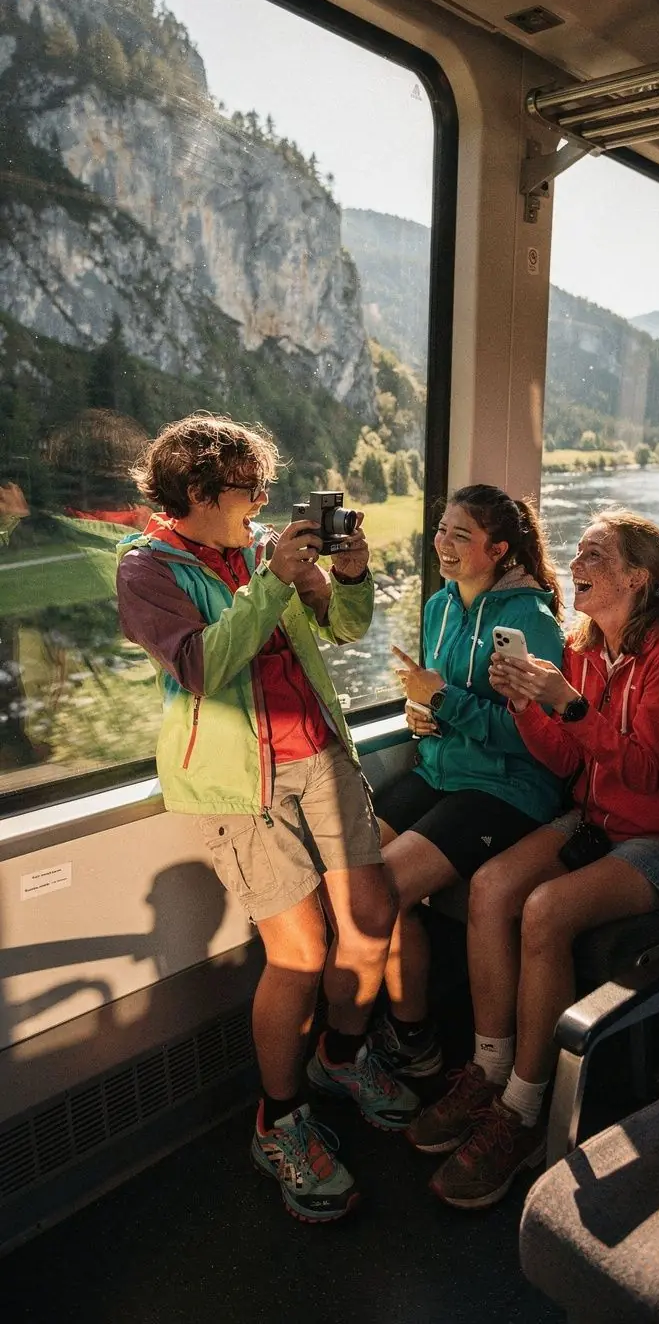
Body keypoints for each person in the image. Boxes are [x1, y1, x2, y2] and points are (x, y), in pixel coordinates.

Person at [116, 413, 418, 1225]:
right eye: (248, 489)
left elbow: (345, 628)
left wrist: (350, 576)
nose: (261, 502)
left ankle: (341, 1055)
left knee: (373, 918)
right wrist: (272, 582)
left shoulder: (259, 552)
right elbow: (201, 667)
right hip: (241, 784)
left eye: (263, 488)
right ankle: (278, 1120)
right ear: (199, 491)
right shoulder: (146, 569)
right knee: (302, 952)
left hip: (319, 752)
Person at [411, 509, 659, 1210]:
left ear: (636, 578)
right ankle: (489, 1069)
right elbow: (563, 758)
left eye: (595, 555)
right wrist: (529, 705)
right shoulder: (582, 646)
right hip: (595, 819)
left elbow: (646, 774)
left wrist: (572, 705)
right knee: (491, 887)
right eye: (579, 551)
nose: (575, 565)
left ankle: (524, 1109)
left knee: (545, 910)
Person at [371, 485, 565, 1078]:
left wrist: (445, 700)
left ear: (499, 550)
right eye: (442, 530)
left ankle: (414, 1041)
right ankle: (410, 1023)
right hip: (441, 769)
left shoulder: (529, 622)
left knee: (382, 891)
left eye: (462, 535)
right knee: (355, 871)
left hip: (505, 787)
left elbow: (531, 737)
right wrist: (420, 712)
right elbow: (436, 694)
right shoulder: (440, 606)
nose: (444, 545)